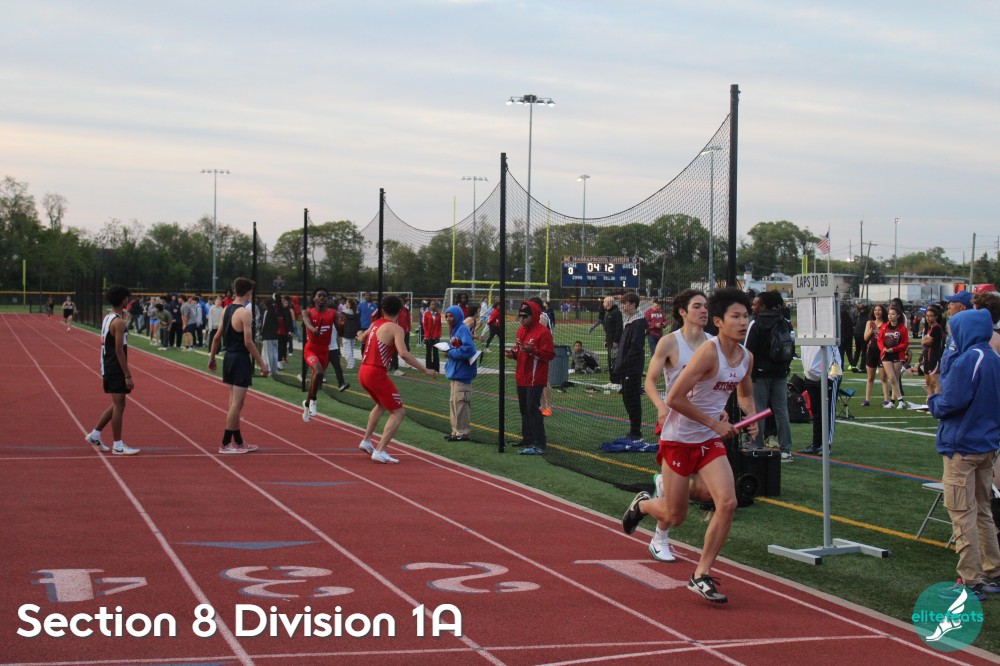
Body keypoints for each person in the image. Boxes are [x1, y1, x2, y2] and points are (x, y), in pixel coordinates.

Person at [622, 287, 758, 604]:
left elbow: (745, 393)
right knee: (676, 514)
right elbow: (674, 398)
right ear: (719, 322)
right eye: (735, 316)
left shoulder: (746, 357)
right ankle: (644, 505)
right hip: (679, 438)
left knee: (728, 502)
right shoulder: (707, 352)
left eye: (745, 316)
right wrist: (713, 422)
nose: (742, 322)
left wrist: (751, 418)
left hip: (708, 440)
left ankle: (701, 574)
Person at [927, 308, 1000, 601]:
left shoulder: (969, 359)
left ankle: (970, 580)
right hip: (986, 445)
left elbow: (951, 401)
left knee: (962, 513)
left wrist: (933, 401)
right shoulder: (993, 358)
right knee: (983, 510)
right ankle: (994, 570)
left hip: (962, 445)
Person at [642, 288, 712, 562]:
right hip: (676, 426)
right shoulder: (669, 343)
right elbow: (650, 381)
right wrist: (661, 406)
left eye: (706, 306)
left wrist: (719, 411)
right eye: (697, 306)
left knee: (706, 492)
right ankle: (660, 538)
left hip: (705, 426)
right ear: (682, 312)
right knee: (676, 511)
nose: (704, 311)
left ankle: (665, 485)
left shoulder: (713, 344)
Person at [357, 295, 437, 463]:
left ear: (383, 309)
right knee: (398, 412)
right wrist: (425, 370)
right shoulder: (396, 328)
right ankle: (380, 450)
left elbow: (362, 338)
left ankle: (366, 440)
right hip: (376, 373)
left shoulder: (375, 324)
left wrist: (359, 334)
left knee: (381, 404)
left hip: (363, 371)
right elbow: (403, 354)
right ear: (400, 311)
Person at [208, 277, 269, 454]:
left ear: (235, 291)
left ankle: (239, 442)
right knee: (237, 403)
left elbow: (217, 337)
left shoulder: (226, 309)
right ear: (249, 293)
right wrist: (262, 364)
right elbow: (248, 342)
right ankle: (225, 443)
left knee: (235, 403)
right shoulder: (245, 312)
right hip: (240, 359)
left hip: (228, 357)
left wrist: (212, 358)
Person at [84, 286, 141, 456]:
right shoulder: (119, 322)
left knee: (118, 404)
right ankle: (118, 445)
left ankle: (95, 435)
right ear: (123, 300)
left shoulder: (108, 318)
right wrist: (127, 374)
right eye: (127, 298)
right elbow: (119, 350)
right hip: (115, 367)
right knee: (119, 405)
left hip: (107, 364)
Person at [743, 290, 794, 461]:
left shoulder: (756, 323)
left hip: (760, 373)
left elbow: (747, 351)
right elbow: (790, 347)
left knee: (758, 410)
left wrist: (748, 374)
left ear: (763, 306)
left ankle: (757, 446)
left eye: (755, 304)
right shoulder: (784, 322)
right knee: (781, 411)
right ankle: (786, 449)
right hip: (780, 373)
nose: (753, 307)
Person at [506, 300, 555, 455]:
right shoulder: (521, 330)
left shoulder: (543, 332)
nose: (521, 319)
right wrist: (513, 353)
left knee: (532, 409)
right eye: (519, 316)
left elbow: (550, 354)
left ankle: (539, 442)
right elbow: (518, 349)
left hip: (535, 377)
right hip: (522, 375)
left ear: (533, 316)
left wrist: (532, 350)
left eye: (524, 316)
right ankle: (527, 438)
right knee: (524, 409)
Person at [301, 288, 346, 422]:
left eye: (324, 296)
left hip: (324, 350)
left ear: (327, 299)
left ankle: (306, 404)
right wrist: (313, 329)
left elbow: (341, 333)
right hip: (311, 349)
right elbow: (307, 323)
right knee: (319, 372)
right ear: (314, 298)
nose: (322, 298)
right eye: (319, 295)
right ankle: (314, 401)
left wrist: (342, 325)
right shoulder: (307, 312)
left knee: (316, 378)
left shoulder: (333, 313)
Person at [797, 342, 842, 455]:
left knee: (828, 411)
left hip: (828, 376)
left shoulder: (825, 333)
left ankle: (827, 445)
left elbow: (834, 353)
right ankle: (816, 444)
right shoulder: (805, 335)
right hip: (811, 377)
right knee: (816, 412)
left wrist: (832, 377)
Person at [444, 304, 478, 442]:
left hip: (463, 374)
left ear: (458, 316)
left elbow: (469, 349)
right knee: (454, 403)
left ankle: (463, 433)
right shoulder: (455, 329)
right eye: (447, 316)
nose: (448, 318)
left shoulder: (462, 329)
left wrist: (450, 353)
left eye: (451, 316)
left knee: (461, 404)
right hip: (455, 373)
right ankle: (455, 431)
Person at [617, 292, 648, 441]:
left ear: (633, 305)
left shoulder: (638, 323)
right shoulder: (630, 321)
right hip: (627, 366)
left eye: (625, 304)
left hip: (632, 367)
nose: (623, 306)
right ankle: (633, 430)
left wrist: (625, 362)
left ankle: (636, 432)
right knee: (627, 398)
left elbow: (635, 346)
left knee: (632, 399)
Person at [878, 304, 913, 409]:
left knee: (895, 379)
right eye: (889, 314)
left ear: (898, 316)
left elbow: (905, 343)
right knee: (892, 377)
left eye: (893, 314)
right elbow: (880, 340)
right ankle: (901, 400)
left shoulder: (902, 328)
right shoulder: (884, 327)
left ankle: (893, 402)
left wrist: (894, 349)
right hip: (886, 355)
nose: (890, 316)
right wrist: (883, 348)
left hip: (897, 354)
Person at [862, 304, 889, 407]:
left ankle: (886, 400)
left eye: (879, 310)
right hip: (871, 351)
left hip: (882, 352)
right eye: (875, 310)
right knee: (870, 377)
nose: (877, 312)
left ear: (883, 312)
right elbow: (865, 338)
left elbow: (884, 338)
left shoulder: (886, 324)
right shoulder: (869, 323)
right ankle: (867, 400)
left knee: (883, 377)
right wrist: (872, 330)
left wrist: (877, 330)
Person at [920, 304, 944, 396]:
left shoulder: (937, 327)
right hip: (927, 358)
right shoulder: (928, 328)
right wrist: (925, 341)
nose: (928, 318)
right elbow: (924, 341)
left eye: (931, 316)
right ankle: (930, 401)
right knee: (928, 382)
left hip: (934, 357)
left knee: (935, 382)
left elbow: (928, 342)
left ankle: (938, 401)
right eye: (927, 316)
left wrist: (925, 341)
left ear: (936, 317)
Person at [602, 296, 623, 380]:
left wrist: (616, 341)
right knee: (610, 361)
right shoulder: (608, 312)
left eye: (604, 302)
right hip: (610, 340)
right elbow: (608, 329)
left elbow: (619, 328)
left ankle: (616, 380)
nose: (603, 304)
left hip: (614, 342)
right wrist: (606, 340)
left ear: (609, 303)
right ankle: (612, 380)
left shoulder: (616, 312)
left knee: (615, 360)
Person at [422, 300, 442, 372]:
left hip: (436, 337)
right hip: (428, 337)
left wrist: (438, 336)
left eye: (435, 304)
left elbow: (439, 326)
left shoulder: (438, 315)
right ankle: (429, 368)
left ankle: (436, 369)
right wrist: (427, 336)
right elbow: (424, 325)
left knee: (436, 353)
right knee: (428, 353)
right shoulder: (426, 314)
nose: (433, 306)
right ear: (429, 305)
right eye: (432, 304)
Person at [342, 298, 361, 368]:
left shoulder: (344, 313)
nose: (346, 303)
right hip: (353, 333)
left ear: (349, 304)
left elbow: (342, 323)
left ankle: (350, 364)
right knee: (351, 349)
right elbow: (359, 324)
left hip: (346, 332)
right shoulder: (356, 313)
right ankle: (351, 363)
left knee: (347, 349)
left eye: (347, 302)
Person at [850, 302, 869, 372]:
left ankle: (854, 365)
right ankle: (862, 367)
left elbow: (854, 323)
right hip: (863, 334)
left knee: (858, 351)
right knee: (864, 351)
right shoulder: (867, 315)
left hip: (857, 333)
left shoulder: (859, 315)